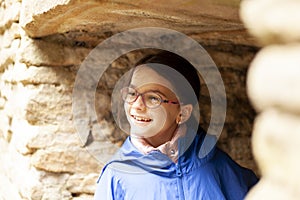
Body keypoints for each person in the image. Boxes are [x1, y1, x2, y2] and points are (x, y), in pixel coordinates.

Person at [94, 50, 258, 200]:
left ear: (183, 113)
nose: (137, 105)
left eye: (153, 98)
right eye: (132, 93)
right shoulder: (116, 175)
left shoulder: (215, 163)